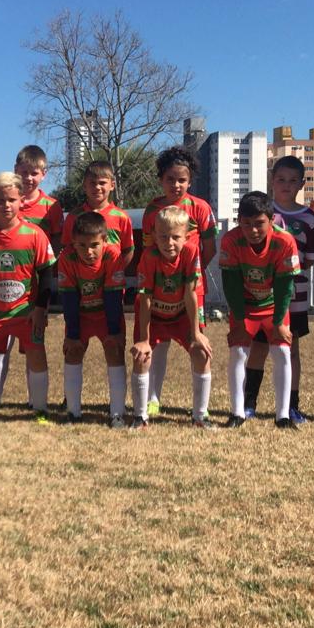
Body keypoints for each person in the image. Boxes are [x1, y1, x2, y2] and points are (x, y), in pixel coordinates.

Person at [0, 171, 56, 422]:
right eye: (1, 200)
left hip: (26, 312)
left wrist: (40, 309)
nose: (6, 205)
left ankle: (40, 409)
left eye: (12, 200)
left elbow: (47, 274)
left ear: (21, 201)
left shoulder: (34, 234)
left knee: (37, 355)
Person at [140, 146, 218, 416]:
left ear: (190, 180)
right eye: (170, 179)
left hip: (190, 287)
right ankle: (153, 399)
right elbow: (148, 249)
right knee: (158, 343)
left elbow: (210, 248)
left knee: (196, 342)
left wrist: (190, 273)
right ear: (161, 180)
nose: (176, 185)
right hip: (159, 286)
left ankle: (200, 409)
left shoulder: (201, 208)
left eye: (181, 180)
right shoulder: (153, 210)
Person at [243, 156, 314, 423]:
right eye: (280, 179)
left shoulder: (310, 219)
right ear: (272, 181)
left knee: (290, 348)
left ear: (302, 183)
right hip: (262, 295)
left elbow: (310, 259)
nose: (286, 185)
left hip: (295, 295)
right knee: (259, 348)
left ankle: (291, 406)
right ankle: (248, 403)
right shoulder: (263, 212)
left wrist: (288, 265)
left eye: (292, 180)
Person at [221, 192, 301, 429]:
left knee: (282, 352)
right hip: (245, 307)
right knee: (238, 352)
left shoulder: (285, 241)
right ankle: (237, 413)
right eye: (246, 224)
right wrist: (238, 322)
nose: (253, 230)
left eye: (259, 223)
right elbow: (231, 285)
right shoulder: (230, 240)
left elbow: (285, 286)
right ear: (239, 221)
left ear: (271, 219)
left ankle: (282, 416)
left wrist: (279, 323)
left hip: (274, 306)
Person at [128, 206, 213, 428]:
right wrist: (144, 339)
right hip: (154, 316)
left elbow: (191, 293)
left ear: (186, 236)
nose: (169, 243)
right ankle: (140, 417)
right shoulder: (149, 256)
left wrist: (196, 333)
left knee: (201, 353)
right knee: (142, 356)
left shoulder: (191, 252)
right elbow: (145, 299)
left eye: (176, 237)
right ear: (154, 236)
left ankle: (200, 416)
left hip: (180, 315)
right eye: (163, 236)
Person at [57, 212, 127, 427]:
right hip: (80, 314)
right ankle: (73, 413)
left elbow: (113, 296)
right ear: (73, 243)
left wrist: (114, 332)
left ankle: (117, 414)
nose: (88, 251)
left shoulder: (113, 255)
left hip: (107, 314)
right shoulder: (66, 258)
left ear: (105, 240)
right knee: (73, 352)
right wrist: (73, 334)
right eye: (82, 245)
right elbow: (69, 297)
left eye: (94, 245)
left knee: (115, 351)